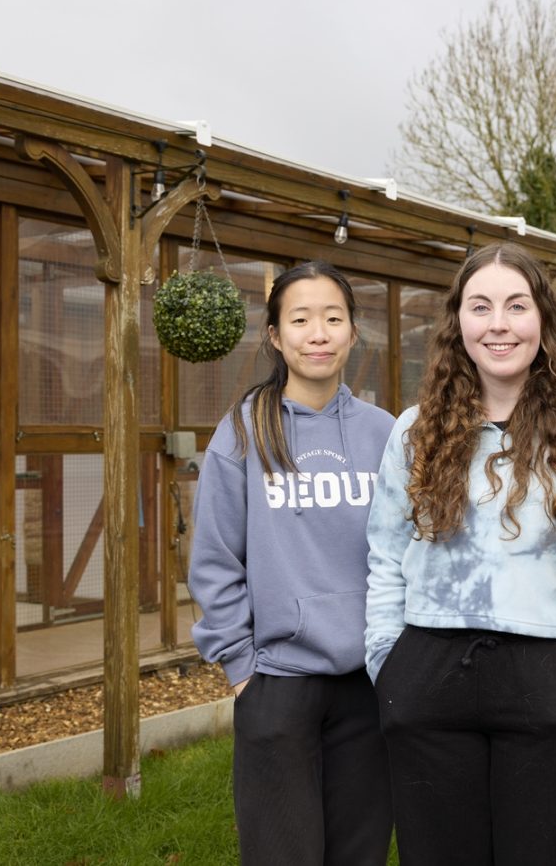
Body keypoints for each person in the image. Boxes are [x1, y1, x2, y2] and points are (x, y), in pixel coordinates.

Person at [365, 242, 556, 866]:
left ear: (543, 322)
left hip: (547, 682)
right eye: (481, 306)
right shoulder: (415, 432)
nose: (499, 323)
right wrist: (387, 663)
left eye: (516, 305)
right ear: (458, 324)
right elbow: (384, 558)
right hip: (425, 678)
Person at [187, 261, 394, 866]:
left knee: (360, 854)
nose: (319, 332)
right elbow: (215, 558)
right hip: (277, 683)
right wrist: (243, 667)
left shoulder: (386, 434)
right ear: (276, 336)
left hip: (370, 682)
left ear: (354, 332)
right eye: (300, 319)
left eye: (333, 317)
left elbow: (413, 549)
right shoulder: (245, 431)